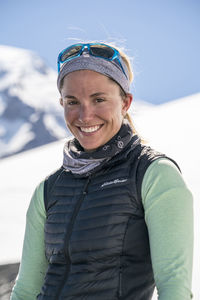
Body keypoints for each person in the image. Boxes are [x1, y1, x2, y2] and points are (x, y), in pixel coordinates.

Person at [10, 42, 193, 300]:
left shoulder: (154, 175)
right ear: (61, 103)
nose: (85, 116)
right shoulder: (49, 189)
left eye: (99, 99)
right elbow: (26, 290)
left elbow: (175, 287)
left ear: (126, 102)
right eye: (73, 101)